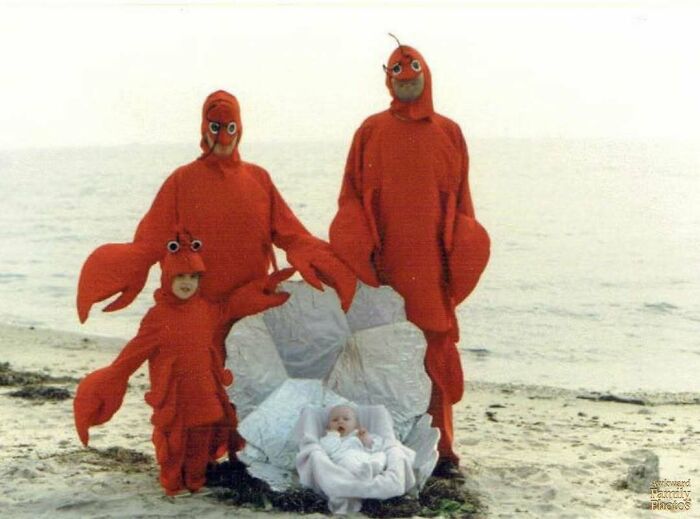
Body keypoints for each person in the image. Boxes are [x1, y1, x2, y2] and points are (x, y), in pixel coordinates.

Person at [77, 89, 357, 458]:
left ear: (240, 129)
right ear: (203, 130)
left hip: (250, 307)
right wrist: (129, 265)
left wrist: (323, 258)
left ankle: (245, 456)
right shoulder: (181, 181)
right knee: (194, 394)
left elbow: (290, 232)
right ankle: (193, 461)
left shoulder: (258, 179)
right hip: (200, 309)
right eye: (215, 127)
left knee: (244, 385)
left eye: (230, 127)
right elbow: (150, 240)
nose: (223, 137)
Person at [329, 41, 490, 478]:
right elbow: (351, 199)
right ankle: (386, 445)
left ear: (426, 74)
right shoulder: (370, 131)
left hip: (432, 271)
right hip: (383, 272)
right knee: (383, 355)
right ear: (388, 78)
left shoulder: (449, 132)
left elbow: (463, 208)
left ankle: (443, 450)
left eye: (413, 69)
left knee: (434, 353)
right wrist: (359, 263)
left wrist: (460, 263)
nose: (406, 78)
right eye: (397, 71)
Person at [73, 232, 294, 495]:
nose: (186, 283)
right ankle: (177, 482)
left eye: (192, 277)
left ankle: (197, 480)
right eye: (180, 277)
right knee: (174, 447)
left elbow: (233, 306)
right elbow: (134, 352)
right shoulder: (157, 317)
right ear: (168, 278)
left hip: (206, 392)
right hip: (176, 397)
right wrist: (114, 376)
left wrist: (264, 289)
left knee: (203, 437)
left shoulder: (206, 308)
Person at [319, 405, 386, 480]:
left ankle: (375, 467)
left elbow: (377, 446)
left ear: (356, 425)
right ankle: (361, 474)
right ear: (328, 426)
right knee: (347, 461)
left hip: (365, 457)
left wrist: (367, 440)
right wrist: (333, 435)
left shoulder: (359, 434)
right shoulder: (329, 438)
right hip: (345, 458)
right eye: (335, 420)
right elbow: (328, 450)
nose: (340, 422)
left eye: (346, 419)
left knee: (381, 454)